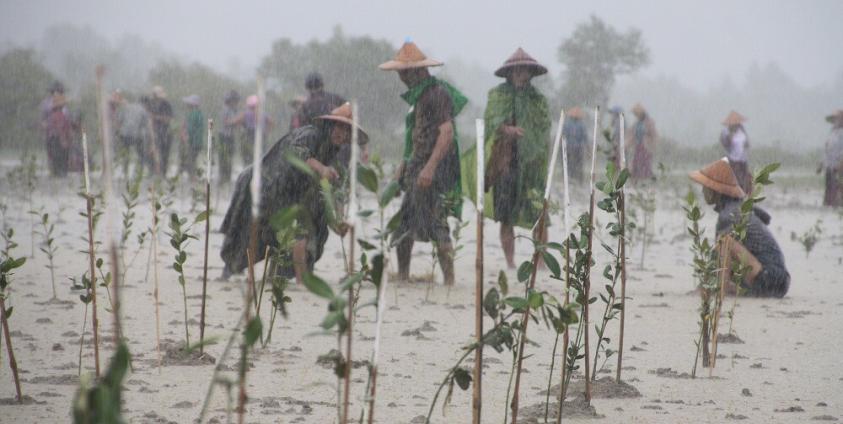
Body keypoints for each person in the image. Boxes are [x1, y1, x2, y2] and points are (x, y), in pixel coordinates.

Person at [219, 103, 368, 282]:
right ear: (329, 126)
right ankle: (235, 269)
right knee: (252, 231)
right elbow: (297, 152)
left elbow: (335, 192)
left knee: (306, 230)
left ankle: (284, 274)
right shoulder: (310, 134)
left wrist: (339, 221)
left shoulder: (332, 153)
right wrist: (321, 168)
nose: (341, 133)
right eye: (338, 127)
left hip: (292, 192)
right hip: (268, 183)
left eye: (346, 131)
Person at [379, 40, 467, 285]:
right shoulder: (420, 97)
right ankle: (404, 275)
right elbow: (416, 138)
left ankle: (449, 280)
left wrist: (429, 168)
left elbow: (446, 132)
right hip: (418, 166)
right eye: (399, 73)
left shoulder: (436, 94)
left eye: (404, 72)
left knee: (436, 222)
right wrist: (404, 167)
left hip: (434, 169)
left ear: (419, 71)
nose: (401, 78)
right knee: (405, 223)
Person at [483, 47, 551, 269]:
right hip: (505, 162)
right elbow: (491, 122)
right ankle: (510, 263)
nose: (522, 74)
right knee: (506, 216)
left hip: (532, 164)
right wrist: (507, 130)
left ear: (531, 73)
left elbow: (543, 129)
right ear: (510, 73)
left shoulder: (538, 100)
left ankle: (540, 262)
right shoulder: (498, 95)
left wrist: (530, 141)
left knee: (538, 214)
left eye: (525, 71)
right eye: (518, 71)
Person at [689, 158, 790, 298]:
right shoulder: (739, 208)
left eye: (705, 187)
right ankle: (724, 289)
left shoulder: (730, 214)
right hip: (779, 281)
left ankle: (719, 292)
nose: (702, 191)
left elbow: (719, 254)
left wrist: (703, 287)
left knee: (725, 242)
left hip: (771, 279)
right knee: (725, 249)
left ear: (716, 190)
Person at [113, 91, 152, 176]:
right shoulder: (143, 110)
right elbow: (146, 125)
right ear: (146, 104)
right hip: (137, 135)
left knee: (126, 153)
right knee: (141, 154)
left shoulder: (126, 107)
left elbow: (118, 122)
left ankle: (125, 172)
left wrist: (117, 133)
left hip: (124, 134)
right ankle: (139, 172)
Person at [720, 110, 752, 195]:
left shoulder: (742, 129)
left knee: (745, 178)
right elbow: (725, 143)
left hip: (742, 158)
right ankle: (734, 194)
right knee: (735, 177)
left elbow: (747, 143)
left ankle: (744, 194)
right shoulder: (726, 132)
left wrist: (746, 145)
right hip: (733, 159)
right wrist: (730, 136)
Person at [147, 86, 174, 175]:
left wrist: (156, 118)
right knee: (152, 153)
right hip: (153, 132)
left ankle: (163, 173)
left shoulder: (166, 105)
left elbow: (169, 118)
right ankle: (153, 172)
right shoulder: (150, 104)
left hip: (165, 132)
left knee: (164, 153)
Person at [627, 103, 657, 181]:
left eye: (636, 114)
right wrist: (627, 144)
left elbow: (653, 134)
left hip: (646, 146)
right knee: (636, 163)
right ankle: (636, 179)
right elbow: (632, 134)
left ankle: (645, 179)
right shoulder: (637, 123)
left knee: (645, 163)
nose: (635, 115)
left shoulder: (649, 122)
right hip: (638, 146)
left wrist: (651, 143)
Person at [218, 90, 243, 184]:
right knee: (223, 157)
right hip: (224, 137)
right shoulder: (225, 110)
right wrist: (237, 120)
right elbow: (226, 122)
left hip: (230, 137)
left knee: (230, 157)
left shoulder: (234, 111)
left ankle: (227, 178)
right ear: (229, 100)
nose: (236, 103)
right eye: (234, 100)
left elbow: (236, 125)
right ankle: (223, 178)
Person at [242, 94, 274, 166]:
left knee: (258, 152)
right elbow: (271, 122)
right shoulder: (248, 113)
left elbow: (270, 122)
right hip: (252, 134)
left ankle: (256, 166)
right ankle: (254, 165)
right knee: (252, 153)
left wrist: (267, 131)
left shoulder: (261, 113)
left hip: (257, 134)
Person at [179, 94, 205, 177]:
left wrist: (185, 136)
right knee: (192, 160)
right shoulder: (198, 113)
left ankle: (193, 179)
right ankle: (192, 178)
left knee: (190, 161)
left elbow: (190, 129)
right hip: (197, 141)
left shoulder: (194, 114)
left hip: (193, 141)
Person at [822, 110, 843, 207]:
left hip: (839, 166)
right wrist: (821, 163)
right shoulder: (832, 132)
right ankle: (829, 205)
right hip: (830, 165)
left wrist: (841, 163)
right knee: (829, 188)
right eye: (834, 119)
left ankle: (837, 206)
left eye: (837, 118)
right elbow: (828, 149)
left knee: (838, 187)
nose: (835, 121)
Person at [563, 106, 587, 182]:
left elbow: (564, 135)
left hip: (571, 146)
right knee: (576, 163)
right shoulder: (581, 124)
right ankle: (576, 178)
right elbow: (584, 137)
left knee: (571, 163)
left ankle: (572, 177)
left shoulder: (567, 124)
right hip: (576, 147)